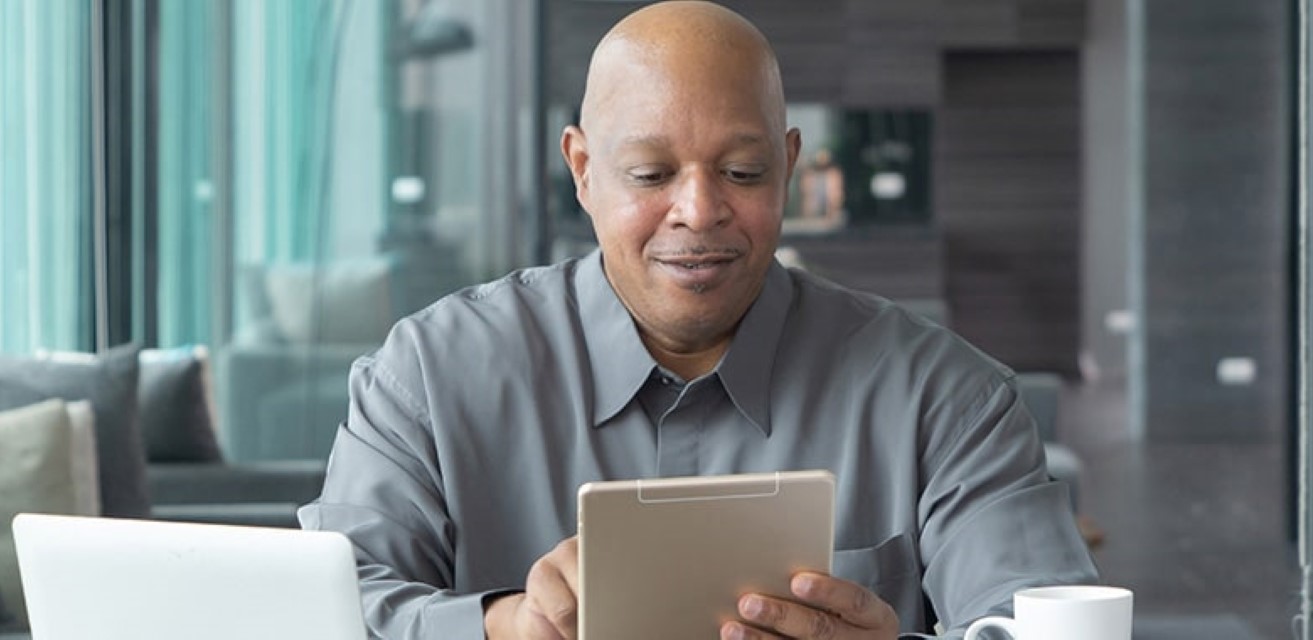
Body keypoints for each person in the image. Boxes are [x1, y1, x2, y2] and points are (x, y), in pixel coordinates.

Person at [299, 2, 1098, 638]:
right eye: (649, 173)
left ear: (787, 166)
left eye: (742, 172)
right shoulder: (428, 376)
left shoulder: (945, 396)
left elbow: (1040, 619)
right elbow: (327, 612)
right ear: (581, 169)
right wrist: (501, 625)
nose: (699, 211)